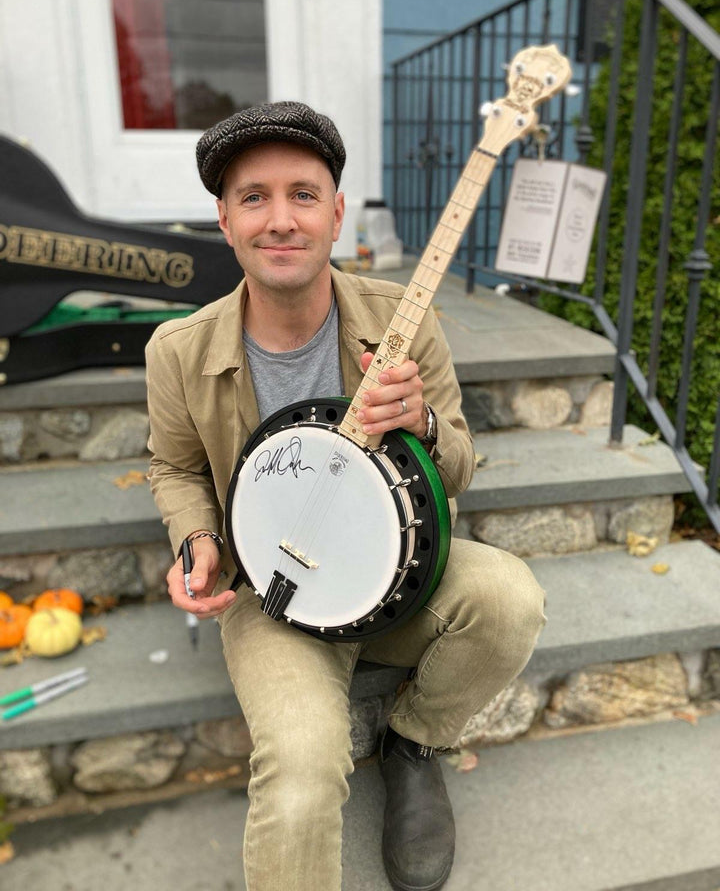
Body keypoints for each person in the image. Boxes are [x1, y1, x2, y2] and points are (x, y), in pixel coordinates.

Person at [145, 101, 546, 891]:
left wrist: (424, 423)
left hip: (398, 575)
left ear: (336, 212)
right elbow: (174, 466)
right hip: (277, 593)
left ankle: (415, 740)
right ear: (223, 220)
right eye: (253, 196)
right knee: (296, 787)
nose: (280, 219)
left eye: (303, 193)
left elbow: (460, 464)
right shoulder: (178, 351)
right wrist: (197, 540)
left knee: (510, 600)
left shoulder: (404, 319)